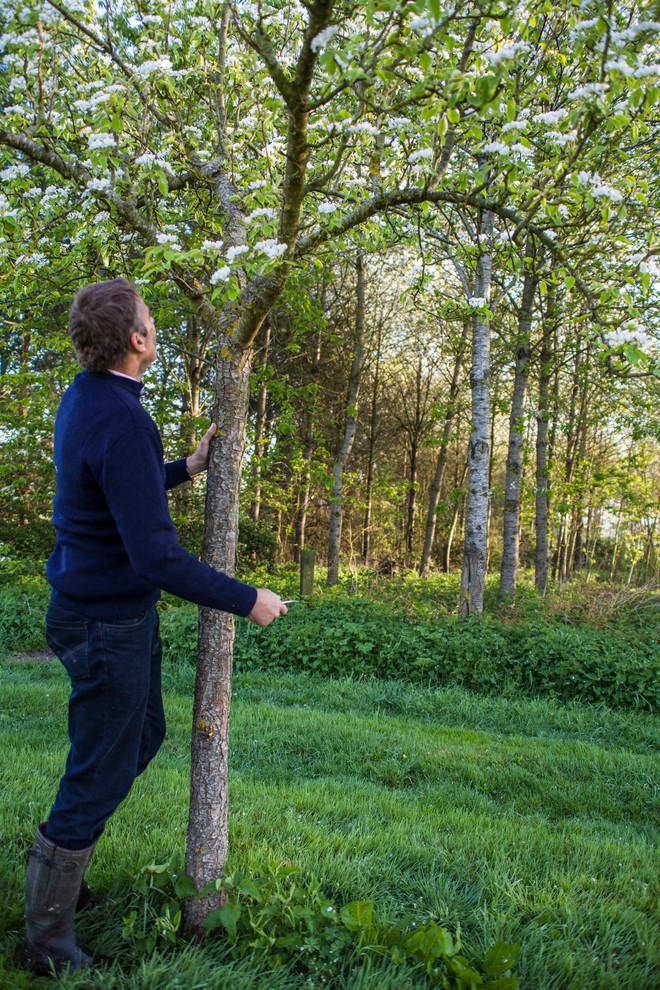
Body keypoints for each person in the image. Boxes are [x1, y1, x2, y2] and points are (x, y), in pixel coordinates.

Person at [21, 278, 287, 975]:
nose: (156, 326)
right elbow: (157, 556)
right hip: (103, 623)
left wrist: (185, 468)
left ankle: (62, 871)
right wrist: (246, 598)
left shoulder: (89, 397)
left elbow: (114, 488)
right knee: (99, 769)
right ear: (137, 340)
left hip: (105, 612)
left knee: (141, 738)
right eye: (149, 319)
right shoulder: (121, 417)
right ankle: (46, 938)